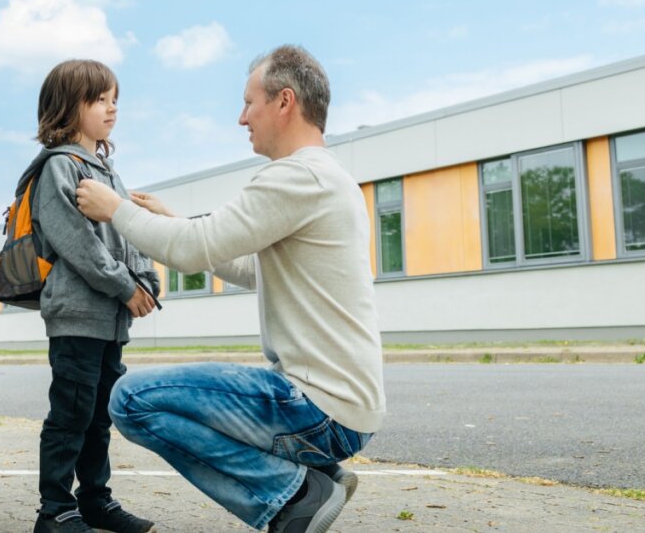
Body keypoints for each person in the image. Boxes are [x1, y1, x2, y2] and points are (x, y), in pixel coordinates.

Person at [75, 45, 385, 533]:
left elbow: (193, 249)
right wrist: (175, 221)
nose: (242, 118)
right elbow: (250, 268)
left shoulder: (296, 176)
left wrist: (115, 208)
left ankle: (292, 492)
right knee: (150, 397)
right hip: (345, 410)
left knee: (131, 399)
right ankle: (315, 473)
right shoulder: (329, 179)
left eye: (249, 102)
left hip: (317, 408)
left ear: (285, 102)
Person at [23, 59, 160, 533]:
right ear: (68, 106)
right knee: (71, 414)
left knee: (99, 416)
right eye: (99, 99)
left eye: (114, 99)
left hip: (110, 318)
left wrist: (145, 282)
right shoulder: (59, 167)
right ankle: (55, 511)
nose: (111, 108)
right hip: (77, 315)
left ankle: (95, 500)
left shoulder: (109, 173)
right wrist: (125, 287)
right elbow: (78, 244)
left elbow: (127, 233)